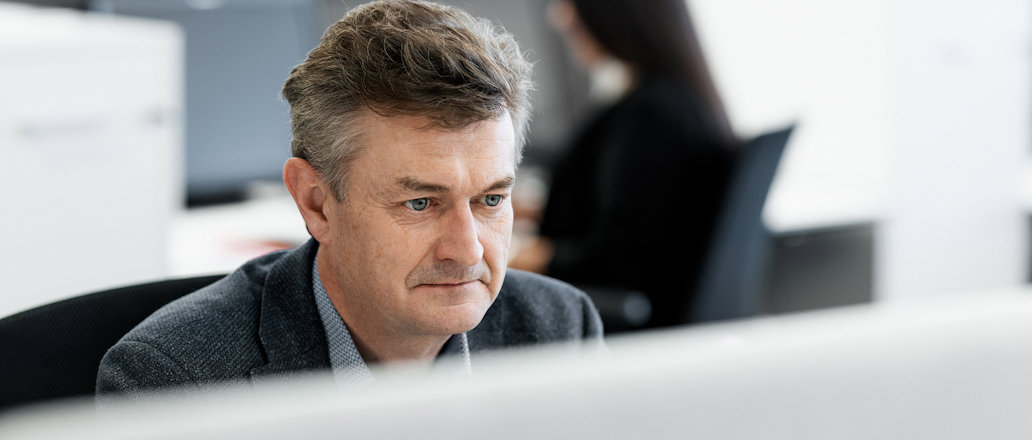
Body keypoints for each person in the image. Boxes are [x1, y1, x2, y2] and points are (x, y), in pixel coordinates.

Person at [97, 0, 603, 396]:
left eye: (490, 200)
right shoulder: (176, 382)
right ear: (316, 203)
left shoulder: (559, 330)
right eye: (420, 203)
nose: (468, 250)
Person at [511, 0, 737, 330]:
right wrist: (526, 210)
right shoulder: (676, 101)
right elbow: (640, 216)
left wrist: (511, 258)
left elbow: (618, 259)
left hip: (624, 317)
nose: (560, 16)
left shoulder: (652, 117)